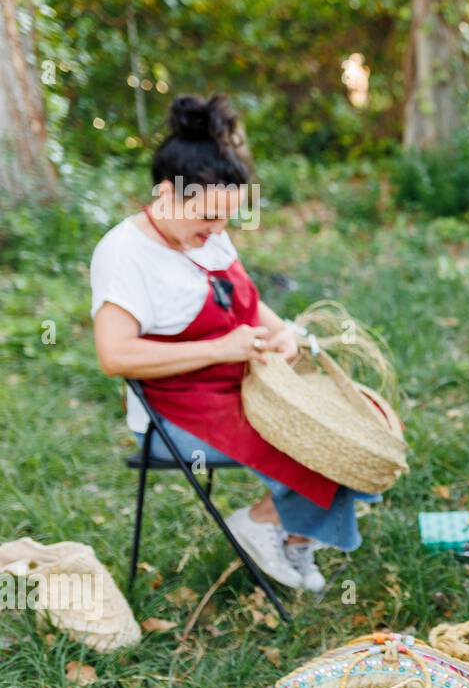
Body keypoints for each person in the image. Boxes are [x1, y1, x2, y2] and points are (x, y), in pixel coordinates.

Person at [91, 94, 380, 593]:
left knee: (355, 426)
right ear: (166, 194)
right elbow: (115, 355)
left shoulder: (205, 234)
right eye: (208, 219)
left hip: (242, 385)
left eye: (227, 219)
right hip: (176, 412)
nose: (219, 231)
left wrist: (282, 331)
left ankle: (278, 525)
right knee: (314, 441)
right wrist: (218, 350)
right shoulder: (125, 253)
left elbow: (245, 303)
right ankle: (269, 527)